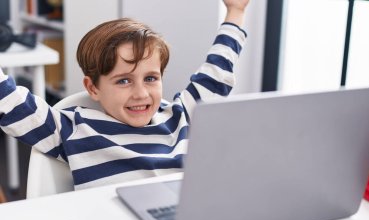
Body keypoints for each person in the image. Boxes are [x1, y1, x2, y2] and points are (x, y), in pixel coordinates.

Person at [0, 0, 249, 190]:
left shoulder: (182, 115)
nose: (140, 93)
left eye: (150, 78)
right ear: (93, 88)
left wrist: (236, 11)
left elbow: (217, 72)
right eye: (124, 81)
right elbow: (12, 102)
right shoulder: (73, 128)